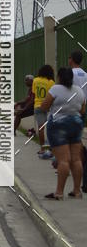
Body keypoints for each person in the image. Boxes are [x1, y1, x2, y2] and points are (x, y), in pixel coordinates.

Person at [41, 66, 86, 199]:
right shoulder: (79, 91)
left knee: (63, 160)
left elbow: (44, 106)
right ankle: (77, 191)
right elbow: (82, 111)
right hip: (76, 125)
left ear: (59, 77)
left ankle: (59, 192)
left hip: (58, 125)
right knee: (76, 159)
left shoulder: (55, 89)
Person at [32, 65, 55, 157]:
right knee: (51, 128)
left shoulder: (35, 80)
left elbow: (34, 93)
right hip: (48, 107)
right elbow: (53, 95)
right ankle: (51, 147)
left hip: (37, 106)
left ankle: (42, 148)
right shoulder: (51, 82)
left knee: (41, 128)